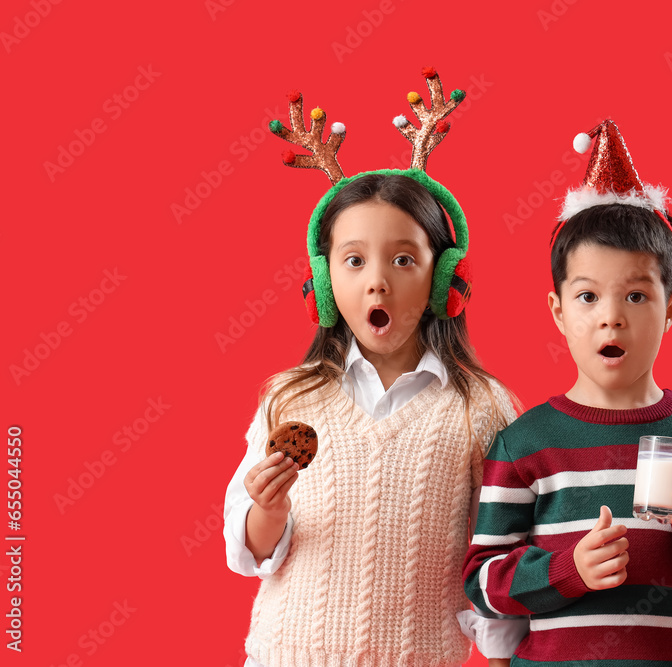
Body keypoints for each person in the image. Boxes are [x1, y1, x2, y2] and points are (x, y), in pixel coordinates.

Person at [224, 69, 523, 667]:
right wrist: (269, 509)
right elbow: (249, 553)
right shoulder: (290, 398)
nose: (377, 280)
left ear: (445, 280)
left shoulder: (482, 408)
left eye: (405, 259)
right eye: (354, 260)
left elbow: (494, 554)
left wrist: (506, 648)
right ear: (326, 284)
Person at [462, 120, 672, 666]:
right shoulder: (523, 444)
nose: (611, 318)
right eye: (587, 297)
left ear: (670, 308)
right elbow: (483, 583)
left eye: (635, 295)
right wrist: (567, 571)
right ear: (557, 311)